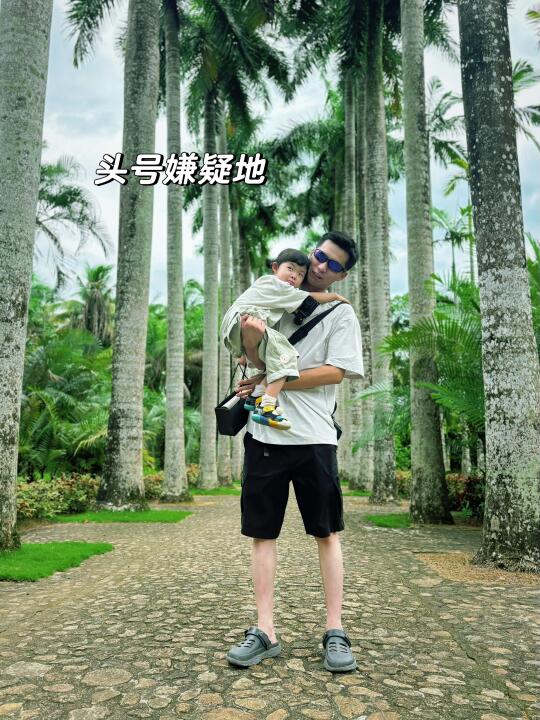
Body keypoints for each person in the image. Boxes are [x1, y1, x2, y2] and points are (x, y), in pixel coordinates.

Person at [226, 231, 364, 673]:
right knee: (262, 534)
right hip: (265, 436)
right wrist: (254, 354)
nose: (321, 266)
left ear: (342, 275)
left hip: (316, 437)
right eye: (319, 256)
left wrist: (275, 380)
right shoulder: (277, 297)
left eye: (334, 264)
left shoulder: (341, 313)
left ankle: (335, 630)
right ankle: (264, 630)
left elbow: (336, 371)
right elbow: (250, 354)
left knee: (327, 533)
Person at [220, 248, 349, 431]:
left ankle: (255, 397)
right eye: (290, 268)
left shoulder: (271, 289)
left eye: (300, 274)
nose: (294, 276)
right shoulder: (275, 285)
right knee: (286, 355)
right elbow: (308, 298)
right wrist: (334, 297)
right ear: (275, 267)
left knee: (273, 354)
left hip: (237, 326)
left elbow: (258, 362)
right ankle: (267, 407)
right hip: (243, 320)